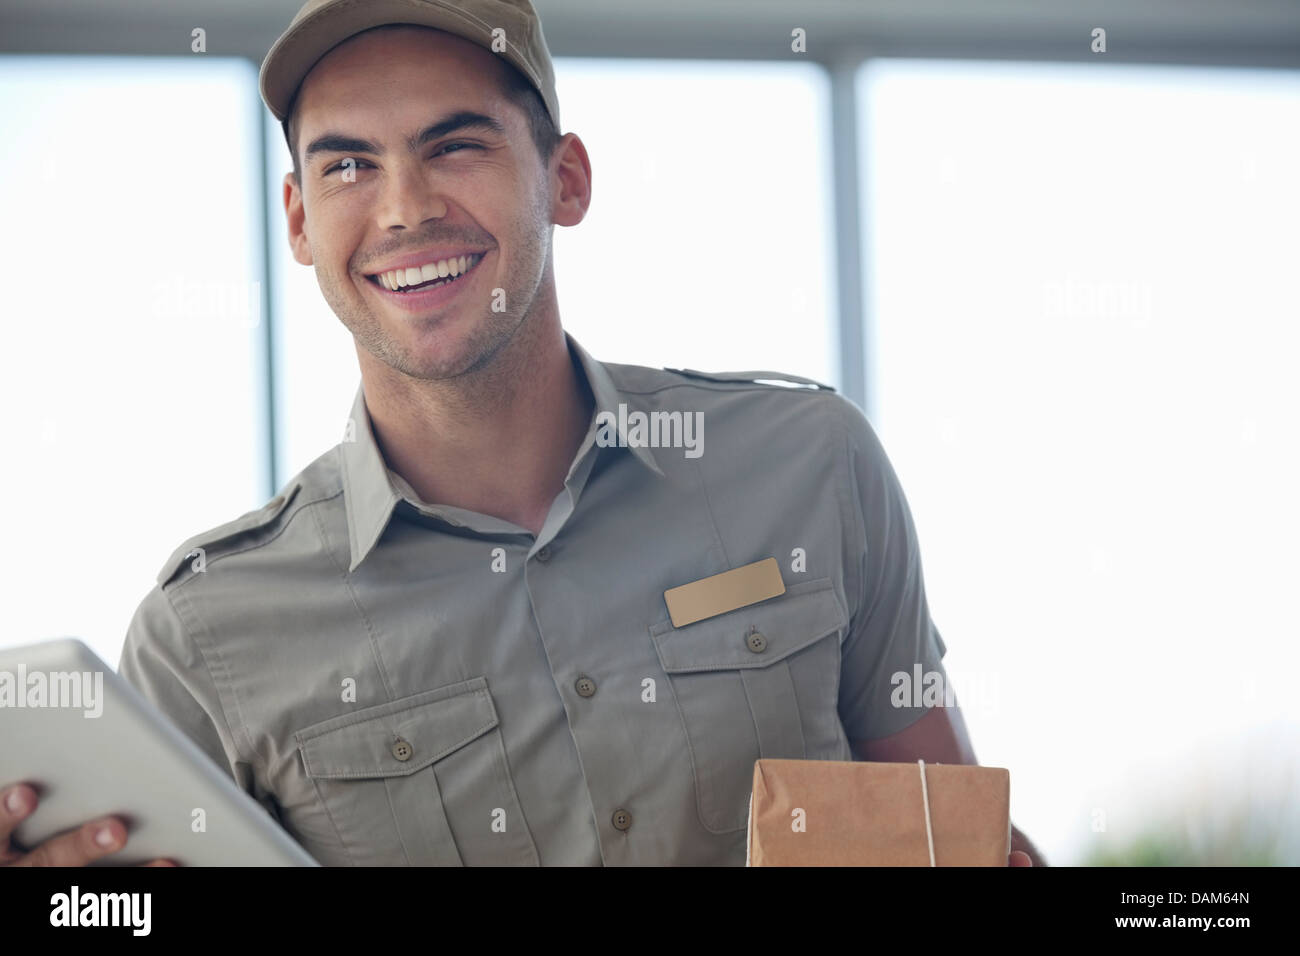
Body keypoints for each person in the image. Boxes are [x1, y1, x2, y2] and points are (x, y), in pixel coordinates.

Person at [2, 0, 1043, 867]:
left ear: (567, 179)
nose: (405, 209)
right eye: (350, 166)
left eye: (454, 146)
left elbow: (944, 827)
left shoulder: (812, 463)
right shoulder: (203, 639)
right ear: (299, 221)